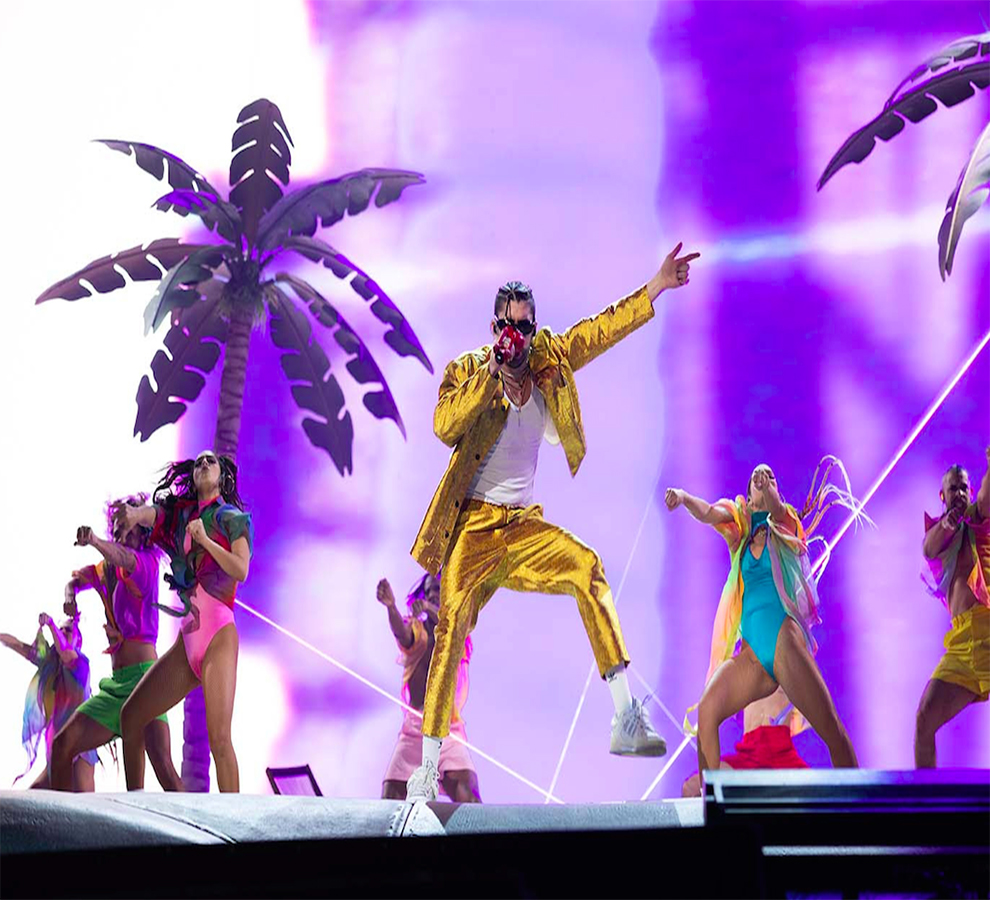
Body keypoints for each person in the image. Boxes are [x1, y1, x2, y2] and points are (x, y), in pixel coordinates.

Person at [406, 243, 700, 801]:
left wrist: (657, 285)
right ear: (494, 328)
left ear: (534, 328)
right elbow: (444, 425)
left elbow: (602, 328)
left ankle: (625, 718)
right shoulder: (468, 369)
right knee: (450, 630)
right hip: (473, 527)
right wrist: (490, 373)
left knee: (588, 568)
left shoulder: (550, 358)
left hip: (522, 527)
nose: (516, 337)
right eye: (507, 326)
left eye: (524, 326)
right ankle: (427, 766)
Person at [666, 460, 860, 784]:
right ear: (746, 494)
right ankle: (709, 806)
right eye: (758, 475)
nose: (764, 477)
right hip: (754, 655)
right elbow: (710, 512)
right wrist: (684, 498)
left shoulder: (785, 526)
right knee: (707, 710)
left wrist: (767, 489)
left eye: (771, 476)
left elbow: (777, 507)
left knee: (832, 731)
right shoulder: (739, 536)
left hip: (784, 643)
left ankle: (863, 806)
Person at [114, 451, 253, 792]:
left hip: (219, 637)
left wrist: (205, 541)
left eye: (211, 462)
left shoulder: (232, 518)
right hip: (186, 645)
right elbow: (156, 515)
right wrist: (134, 514)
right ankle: (134, 809)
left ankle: (236, 823)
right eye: (199, 463)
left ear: (222, 478)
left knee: (220, 741)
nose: (203, 464)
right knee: (131, 717)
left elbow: (241, 569)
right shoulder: (181, 517)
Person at [48, 496, 182, 791]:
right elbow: (76, 581)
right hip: (117, 684)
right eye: (120, 528)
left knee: (163, 766)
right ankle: (58, 820)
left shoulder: (145, 563)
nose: (126, 534)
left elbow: (124, 558)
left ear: (143, 532)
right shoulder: (105, 570)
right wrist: (69, 597)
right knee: (61, 746)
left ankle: (200, 822)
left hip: (146, 680)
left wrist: (95, 541)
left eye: (132, 528)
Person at [915, 451, 990, 767]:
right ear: (942, 496)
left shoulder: (979, 518)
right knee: (925, 719)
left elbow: (986, 496)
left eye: (964, 488)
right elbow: (929, 547)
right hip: (963, 643)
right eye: (953, 488)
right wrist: (949, 521)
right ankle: (925, 798)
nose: (959, 493)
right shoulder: (942, 534)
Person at [379, 573, 481, 802]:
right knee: (389, 807)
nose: (434, 594)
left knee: (470, 801)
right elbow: (402, 633)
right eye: (429, 590)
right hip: (414, 731)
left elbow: (453, 628)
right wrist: (391, 607)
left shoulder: (460, 629)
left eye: (439, 588)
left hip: (448, 731)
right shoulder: (417, 628)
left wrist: (428, 607)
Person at [1, 601, 97, 791]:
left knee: (83, 799)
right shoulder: (50, 664)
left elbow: (66, 652)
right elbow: (18, 645)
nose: (63, 632)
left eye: (68, 631)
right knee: (37, 794)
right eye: (61, 630)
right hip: (56, 743)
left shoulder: (80, 663)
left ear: (78, 641)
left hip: (80, 744)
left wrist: (52, 624)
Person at [680, 688, 808, 797]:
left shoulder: (793, 667)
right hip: (749, 753)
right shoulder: (740, 669)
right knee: (691, 788)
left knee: (813, 794)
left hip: (780, 750)